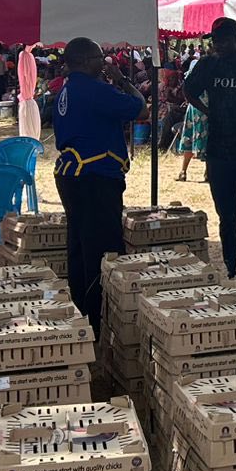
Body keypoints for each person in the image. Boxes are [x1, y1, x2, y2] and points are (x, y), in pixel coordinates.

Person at [52, 37, 144, 335]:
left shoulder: (66, 88)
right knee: (102, 249)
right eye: (98, 58)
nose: (103, 63)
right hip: (95, 176)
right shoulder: (94, 89)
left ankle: (82, 308)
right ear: (85, 60)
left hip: (73, 174)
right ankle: (98, 319)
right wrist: (122, 80)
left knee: (79, 245)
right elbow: (139, 108)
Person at [184, 17, 236, 277]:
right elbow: (188, 91)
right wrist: (207, 111)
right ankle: (233, 267)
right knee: (227, 218)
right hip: (219, 153)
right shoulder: (208, 65)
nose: (219, 45)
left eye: (225, 40)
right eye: (216, 40)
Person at [174, 55, 209, 181]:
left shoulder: (193, 73)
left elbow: (186, 90)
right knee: (208, 140)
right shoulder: (210, 74)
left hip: (194, 108)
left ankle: (183, 171)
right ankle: (207, 173)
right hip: (206, 108)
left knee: (188, 137)